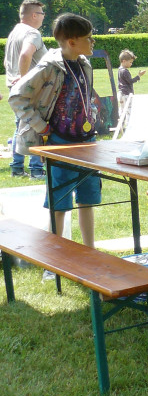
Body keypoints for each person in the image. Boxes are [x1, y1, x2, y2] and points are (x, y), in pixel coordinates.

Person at [10, 13, 101, 247]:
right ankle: (56, 255)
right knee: (59, 201)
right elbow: (17, 97)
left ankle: (90, 251)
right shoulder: (49, 67)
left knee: (88, 198)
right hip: (59, 143)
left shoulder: (84, 63)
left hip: (86, 141)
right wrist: (41, 126)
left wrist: (92, 115)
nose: (93, 41)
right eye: (89, 38)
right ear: (72, 42)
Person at [5, 0, 48, 179]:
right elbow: (25, 54)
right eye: (42, 13)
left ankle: (16, 168)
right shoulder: (32, 33)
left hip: (14, 88)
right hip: (30, 89)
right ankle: (36, 170)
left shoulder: (14, 32)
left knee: (21, 126)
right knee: (36, 126)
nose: (44, 17)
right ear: (34, 15)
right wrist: (25, 80)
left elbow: (7, 62)